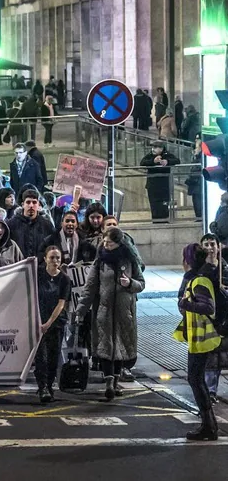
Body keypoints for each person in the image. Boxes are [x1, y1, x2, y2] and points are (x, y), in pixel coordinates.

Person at [78, 227, 145, 401]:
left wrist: (129, 283)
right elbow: (90, 286)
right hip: (104, 310)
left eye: (109, 242)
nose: (105, 245)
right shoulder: (100, 261)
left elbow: (141, 284)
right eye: (105, 241)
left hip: (124, 312)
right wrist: (81, 310)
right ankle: (109, 384)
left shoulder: (130, 260)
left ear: (118, 243)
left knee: (120, 347)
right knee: (106, 347)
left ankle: (115, 383)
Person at [174, 243, 220, 440]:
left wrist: (186, 304)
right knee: (196, 380)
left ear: (189, 260)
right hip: (197, 338)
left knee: (196, 380)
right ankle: (209, 424)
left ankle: (209, 426)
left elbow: (208, 307)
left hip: (203, 339)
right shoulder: (198, 278)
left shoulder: (199, 280)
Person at [35, 246, 71, 403]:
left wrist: (49, 323)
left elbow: (61, 304)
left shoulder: (64, 279)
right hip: (38, 322)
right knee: (41, 357)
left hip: (55, 323)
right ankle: (42, 387)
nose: (55, 261)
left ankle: (49, 385)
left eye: (58, 258)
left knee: (53, 357)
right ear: (45, 259)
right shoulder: (38, 275)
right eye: (52, 258)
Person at [200, 233, 228, 404]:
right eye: (206, 245)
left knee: (222, 355)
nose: (210, 248)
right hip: (207, 319)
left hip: (224, 317)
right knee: (211, 357)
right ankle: (210, 390)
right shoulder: (199, 270)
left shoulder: (225, 268)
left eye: (213, 244)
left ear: (219, 247)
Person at [140, 140, 180, 222]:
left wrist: (167, 162)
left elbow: (177, 160)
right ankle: (155, 219)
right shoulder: (150, 156)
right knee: (154, 204)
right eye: (154, 147)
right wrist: (153, 161)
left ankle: (165, 219)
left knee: (164, 203)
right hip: (153, 184)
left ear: (162, 148)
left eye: (157, 147)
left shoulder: (167, 155)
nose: (155, 149)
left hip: (164, 184)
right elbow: (142, 163)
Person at [7, 189, 55, 259]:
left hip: (40, 267)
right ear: (23, 205)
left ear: (38, 205)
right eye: (28, 202)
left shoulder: (47, 225)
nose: (31, 205)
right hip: (18, 266)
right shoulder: (11, 224)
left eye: (34, 202)